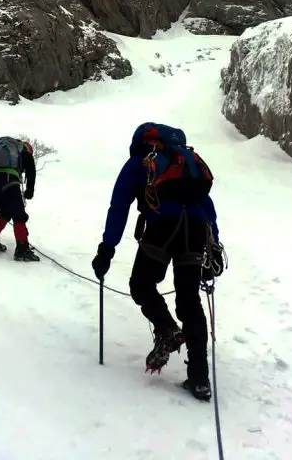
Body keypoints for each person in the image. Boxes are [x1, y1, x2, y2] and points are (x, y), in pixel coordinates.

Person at [91, 122, 224, 401]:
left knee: (141, 284)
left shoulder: (140, 161)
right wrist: (213, 246)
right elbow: (206, 205)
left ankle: (167, 330)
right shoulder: (186, 164)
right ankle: (199, 378)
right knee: (189, 300)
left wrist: (107, 248)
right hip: (196, 230)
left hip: (163, 227)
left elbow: (119, 205)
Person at [0, 136, 39, 262]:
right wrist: (29, 190)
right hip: (9, 180)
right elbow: (31, 171)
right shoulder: (24, 152)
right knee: (19, 215)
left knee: (4, 213)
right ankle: (22, 249)